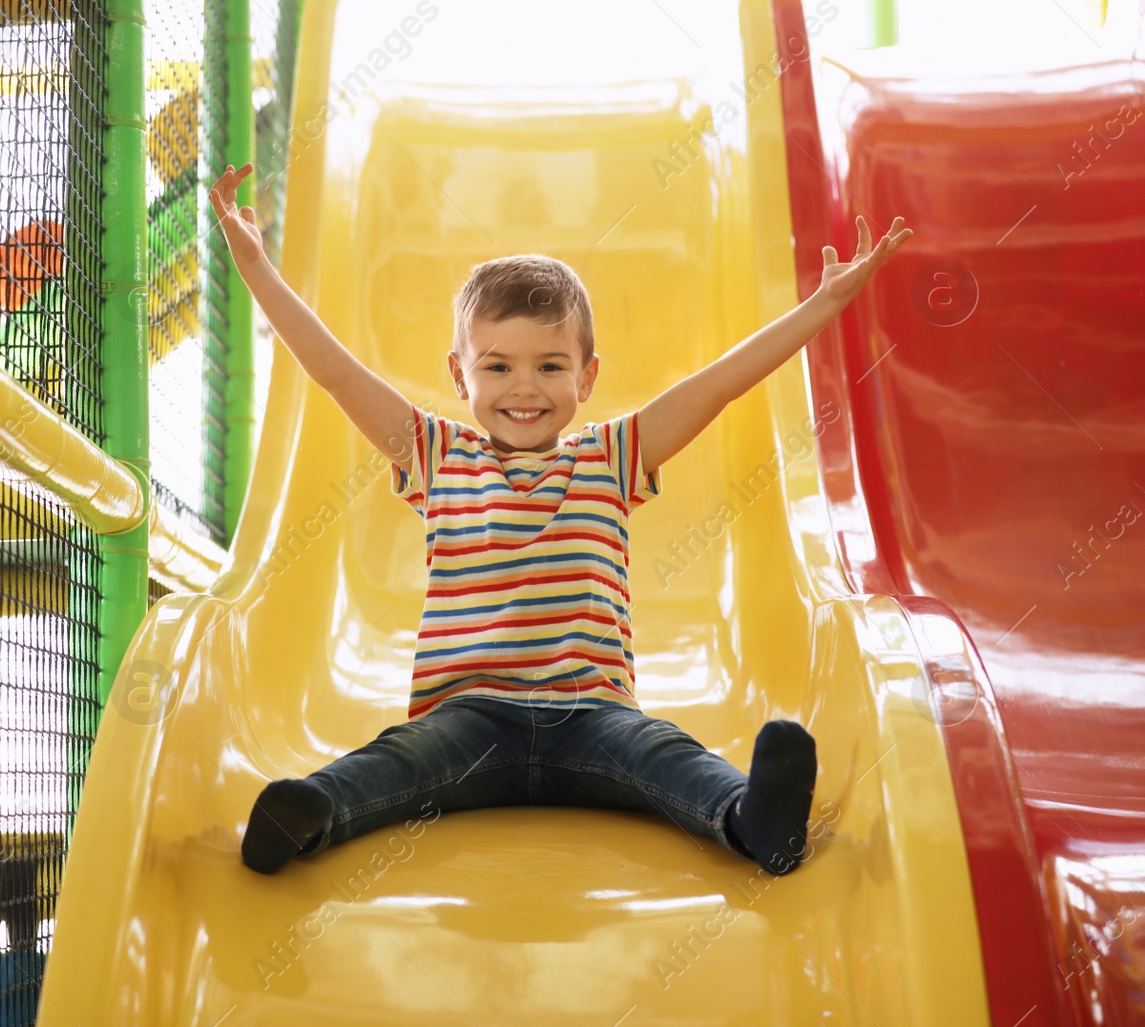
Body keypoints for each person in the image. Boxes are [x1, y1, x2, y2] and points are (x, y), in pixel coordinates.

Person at [207, 161, 910, 878]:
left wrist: (821, 307)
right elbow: (336, 371)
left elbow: (721, 384)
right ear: (459, 376)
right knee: (397, 761)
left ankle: (753, 819)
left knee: (666, 755)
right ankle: (308, 814)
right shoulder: (434, 453)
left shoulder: (613, 454)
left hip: (593, 716)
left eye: (549, 366)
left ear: (587, 376)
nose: (524, 388)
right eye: (498, 366)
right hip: (467, 718)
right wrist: (258, 268)